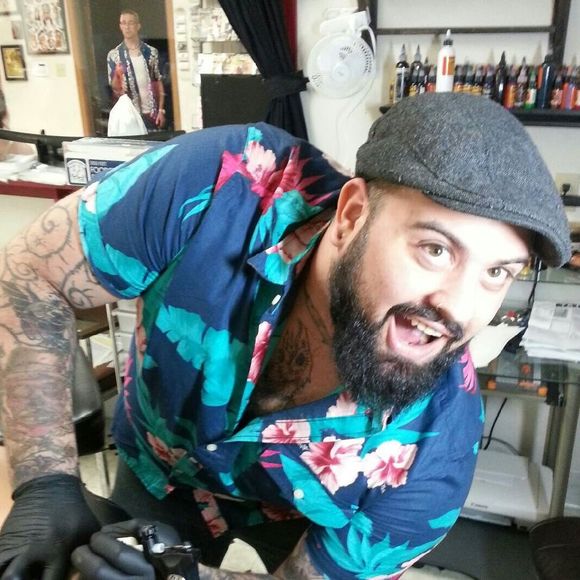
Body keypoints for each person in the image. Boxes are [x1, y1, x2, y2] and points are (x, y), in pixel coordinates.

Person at [0, 93, 570, 579]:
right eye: (435, 249)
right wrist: (44, 481)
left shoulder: (434, 449)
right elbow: (30, 272)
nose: (458, 309)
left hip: (303, 519)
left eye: (497, 272)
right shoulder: (223, 181)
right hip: (159, 464)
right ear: (352, 215)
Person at [107, 9, 165, 130]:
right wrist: (117, 74)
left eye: (131, 23)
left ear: (138, 26)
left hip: (151, 113)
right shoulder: (114, 55)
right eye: (123, 23)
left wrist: (161, 110)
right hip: (129, 116)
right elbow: (114, 89)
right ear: (120, 26)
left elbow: (158, 82)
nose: (127, 27)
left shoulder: (151, 52)